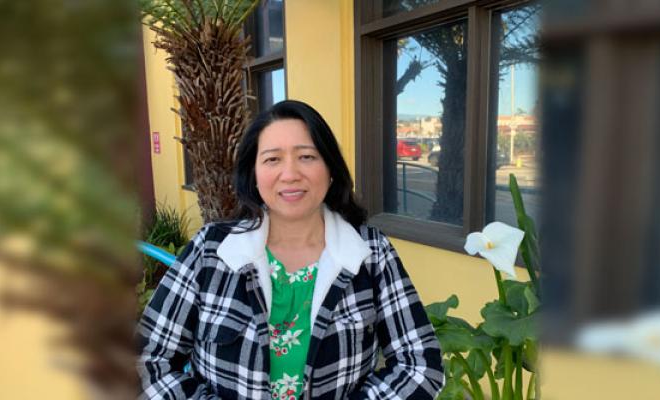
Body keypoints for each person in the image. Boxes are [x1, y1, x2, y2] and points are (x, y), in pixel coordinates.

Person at [137, 100, 444, 399]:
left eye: (307, 157)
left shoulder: (372, 253)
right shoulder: (211, 251)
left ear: (331, 169)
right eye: (272, 159)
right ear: (254, 176)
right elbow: (148, 360)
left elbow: (419, 366)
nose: (290, 173)